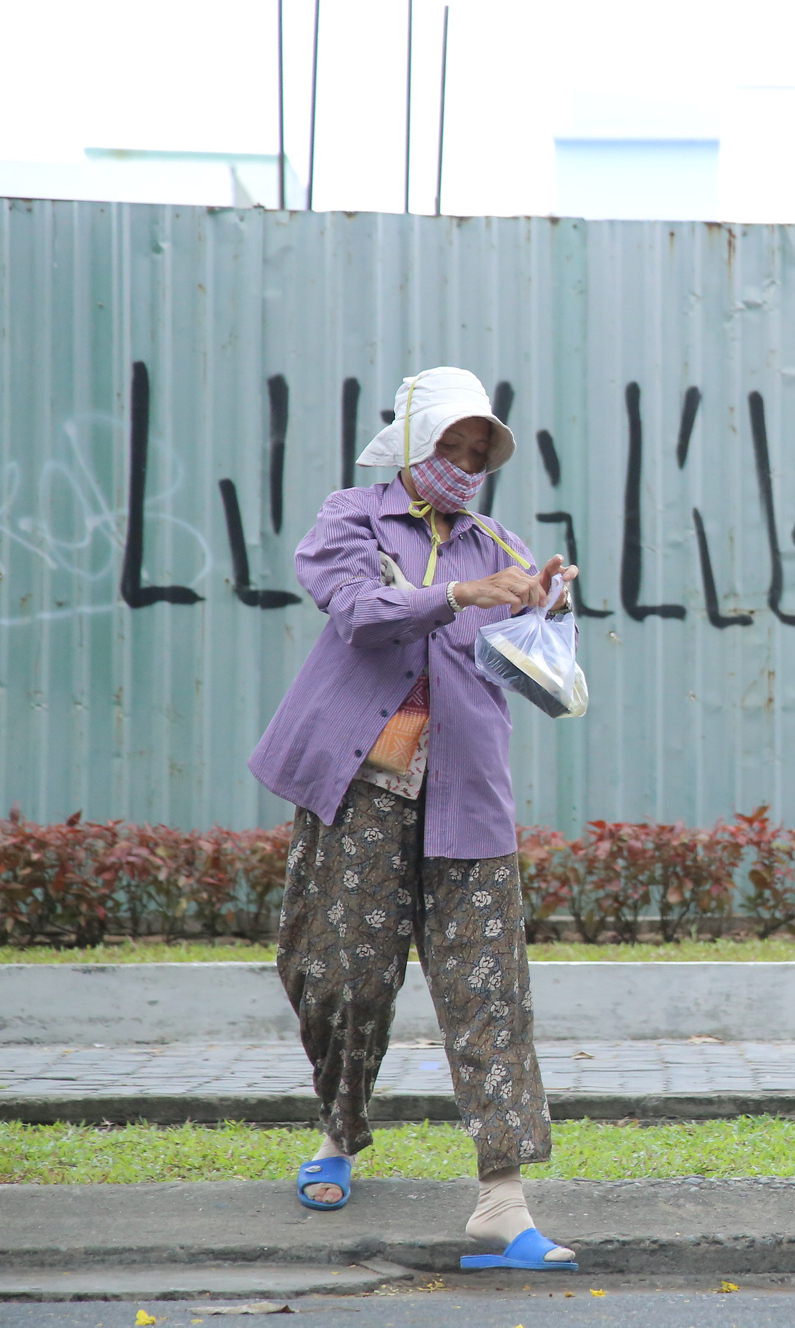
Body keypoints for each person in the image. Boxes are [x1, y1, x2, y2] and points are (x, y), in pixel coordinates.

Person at [250, 367, 581, 1272]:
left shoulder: (497, 543)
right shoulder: (353, 518)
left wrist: (547, 607)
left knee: (489, 990)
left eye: (478, 454)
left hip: (467, 797)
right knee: (341, 976)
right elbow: (359, 614)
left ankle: (502, 1200)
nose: (464, 465)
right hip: (362, 787)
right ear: (410, 443)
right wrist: (461, 595)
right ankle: (338, 1130)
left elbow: (526, 672)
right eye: (450, 446)